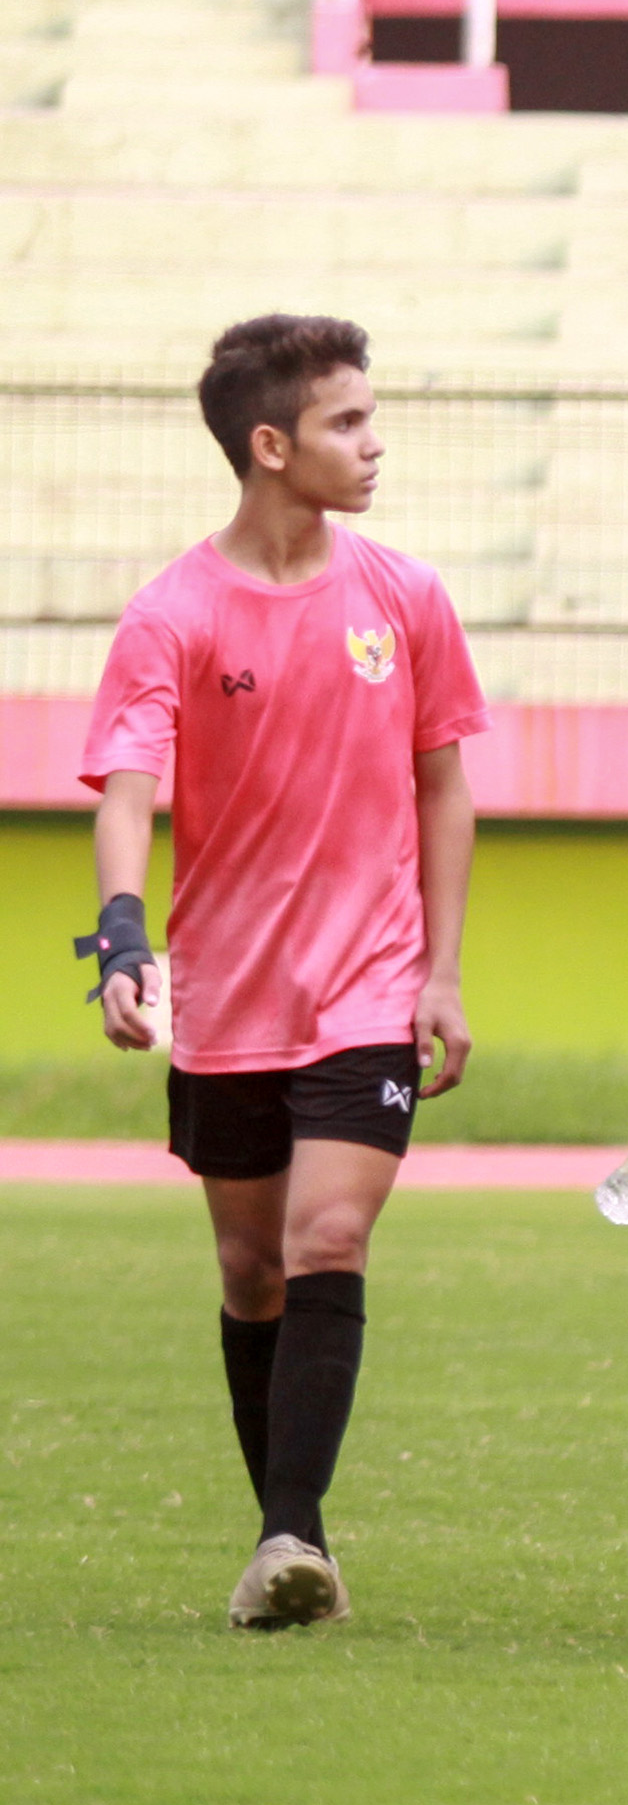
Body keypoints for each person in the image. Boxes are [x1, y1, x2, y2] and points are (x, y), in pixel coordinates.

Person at [81, 314, 485, 1630]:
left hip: (369, 987)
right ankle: (288, 1536)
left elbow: (443, 785)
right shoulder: (173, 613)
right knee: (253, 1270)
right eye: (345, 421)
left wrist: (440, 970)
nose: (374, 443)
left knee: (329, 1237)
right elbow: (126, 788)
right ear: (271, 445)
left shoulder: (407, 596)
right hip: (230, 996)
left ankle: (288, 1533)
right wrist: (124, 936)